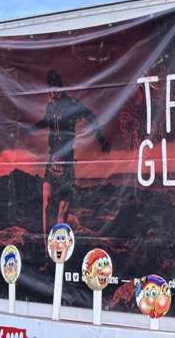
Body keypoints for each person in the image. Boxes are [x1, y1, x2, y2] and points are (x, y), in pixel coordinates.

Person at [22, 69, 111, 240]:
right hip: (52, 159)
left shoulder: (72, 104)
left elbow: (91, 116)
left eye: (55, 89)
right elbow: (45, 121)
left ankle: (57, 251)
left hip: (67, 161)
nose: (53, 93)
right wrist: (29, 129)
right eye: (50, 90)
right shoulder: (50, 107)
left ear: (61, 88)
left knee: (61, 215)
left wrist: (102, 140)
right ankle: (45, 250)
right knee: (46, 204)